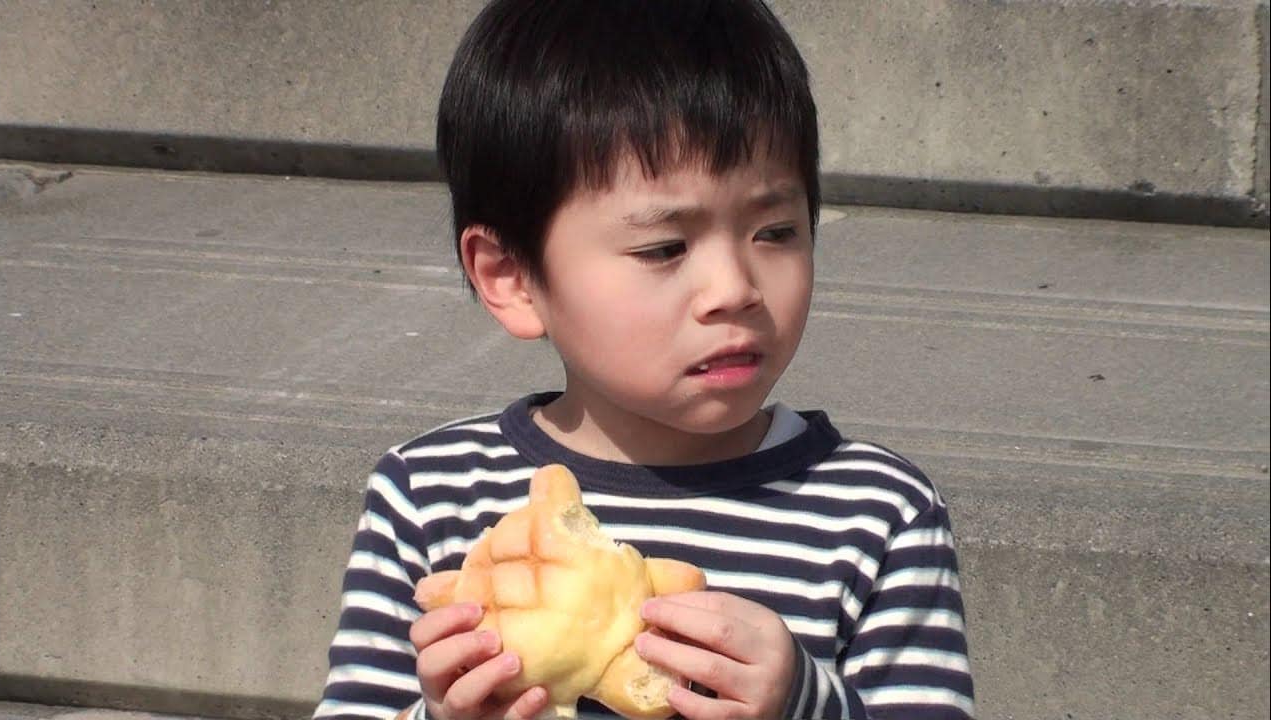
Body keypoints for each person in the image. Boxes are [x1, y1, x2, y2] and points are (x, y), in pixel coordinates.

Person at [314, 1, 975, 718]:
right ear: (512, 277)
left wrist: (802, 702)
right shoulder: (431, 495)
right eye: (664, 247)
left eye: (776, 231)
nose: (734, 289)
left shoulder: (877, 514)